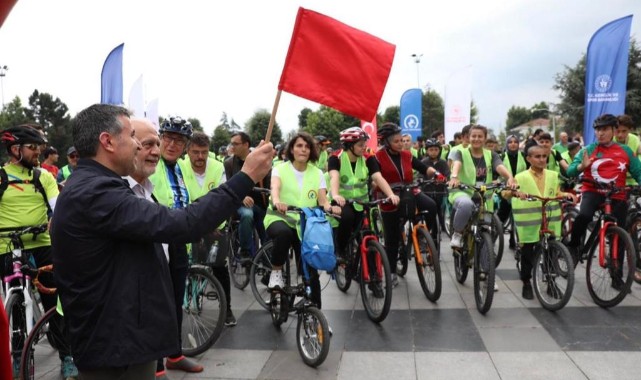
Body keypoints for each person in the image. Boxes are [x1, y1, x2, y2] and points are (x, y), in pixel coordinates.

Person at [51, 104, 272, 379]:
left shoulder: (97, 186)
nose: (139, 147)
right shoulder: (96, 192)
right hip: (115, 349)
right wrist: (245, 177)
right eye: (132, 136)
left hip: (122, 341)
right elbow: (182, 223)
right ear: (107, 141)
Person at [0, 125, 78, 379]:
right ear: (15, 150)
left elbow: (58, 208)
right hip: (7, 245)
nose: (38, 152)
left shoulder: (43, 176)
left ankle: (67, 355)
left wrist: (60, 224)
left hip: (41, 242)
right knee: (13, 302)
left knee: (54, 302)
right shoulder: (1, 177)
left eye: (40, 147)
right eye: (33, 147)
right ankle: (18, 351)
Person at [148, 116, 206, 376]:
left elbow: (187, 200)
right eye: (168, 138)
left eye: (179, 141)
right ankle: (155, 364)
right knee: (156, 301)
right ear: (160, 139)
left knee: (174, 299)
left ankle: (174, 354)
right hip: (156, 239)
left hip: (178, 239)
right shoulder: (151, 164)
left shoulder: (180, 168)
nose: (172, 144)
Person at [264, 132, 340, 311]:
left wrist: (331, 208)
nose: (303, 149)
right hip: (278, 217)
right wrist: (276, 201)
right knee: (284, 233)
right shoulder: (280, 168)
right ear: (291, 149)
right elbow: (275, 188)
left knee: (310, 269)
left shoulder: (317, 173)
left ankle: (317, 315)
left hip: (305, 224)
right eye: (299, 145)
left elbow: (322, 200)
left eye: (306, 146)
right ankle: (276, 272)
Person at [565, 114, 641, 289]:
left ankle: (617, 277)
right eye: (598, 130)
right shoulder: (589, 149)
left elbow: (638, 172)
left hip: (616, 195)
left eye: (605, 129)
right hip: (593, 191)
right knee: (584, 215)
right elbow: (569, 171)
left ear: (614, 131)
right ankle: (574, 245)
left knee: (619, 236)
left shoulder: (625, 151)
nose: (601, 133)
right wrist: (581, 167)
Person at [180, 131, 239, 329]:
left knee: (220, 267)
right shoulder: (180, 166)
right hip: (186, 222)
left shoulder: (217, 167)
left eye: (204, 152)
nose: (200, 157)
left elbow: (223, 199)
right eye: (195, 152)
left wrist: (213, 223)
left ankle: (227, 309)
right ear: (187, 151)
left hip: (213, 225)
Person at [375, 123, 443, 287]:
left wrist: (437, 174)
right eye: (397, 141)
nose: (401, 144)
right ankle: (391, 273)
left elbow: (423, 167)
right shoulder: (378, 157)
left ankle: (424, 237)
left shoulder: (407, 155)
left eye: (402, 140)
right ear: (386, 142)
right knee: (391, 239)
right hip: (388, 198)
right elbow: (375, 177)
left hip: (409, 191)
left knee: (432, 206)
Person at [505, 145, 577, 299]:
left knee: (551, 250)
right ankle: (526, 282)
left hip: (549, 219)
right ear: (528, 159)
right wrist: (516, 192)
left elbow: (556, 192)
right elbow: (506, 192)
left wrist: (565, 194)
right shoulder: (521, 176)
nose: (542, 159)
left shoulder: (552, 175)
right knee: (528, 251)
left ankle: (551, 281)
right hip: (529, 223)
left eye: (544, 156)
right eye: (537, 157)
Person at [329, 127, 399, 264]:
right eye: (360, 145)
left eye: (364, 144)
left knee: (368, 235)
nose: (364, 148)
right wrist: (336, 195)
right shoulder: (335, 158)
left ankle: (373, 275)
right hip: (344, 202)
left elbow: (378, 177)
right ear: (349, 146)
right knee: (347, 218)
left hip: (363, 202)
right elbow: (334, 177)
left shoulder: (368, 158)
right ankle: (340, 250)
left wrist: (390, 194)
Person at [448, 124, 517, 249]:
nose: (476, 139)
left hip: (483, 197)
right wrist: (454, 176)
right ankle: (457, 233)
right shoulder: (460, 152)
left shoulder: (491, 155)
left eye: (480, 136)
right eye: (473, 136)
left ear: (485, 139)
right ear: (469, 137)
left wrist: (510, 177)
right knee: (466, 205)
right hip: (463, 192)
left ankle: (486, 265)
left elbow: (499, 166)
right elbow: (457, 164)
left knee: (486, 233)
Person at [224, 131, 271, 259]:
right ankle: (245, 251)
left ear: (246, 145)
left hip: (260, 204)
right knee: (247, 214)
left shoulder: (259, 160)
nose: (232, 147)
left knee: (267, 227)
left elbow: (268, 184)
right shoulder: (229, 163)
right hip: (239, 204)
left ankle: (269, 263)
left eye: (235, 144)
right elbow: (228, 186)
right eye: (231, 143)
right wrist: (241, 196)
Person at [497, 135, 528, 250]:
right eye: (510, 142)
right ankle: (493, 236)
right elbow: (496, 173)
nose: (513, 144)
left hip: (521, 189)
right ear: (507, 144)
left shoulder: (524, 156)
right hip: (505, 189)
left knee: (519, 216)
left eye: (516, 142)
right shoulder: (501, 156)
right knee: (502, 216)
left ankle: (514, 239)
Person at [421, 138, 450, 232]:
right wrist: (420, 180)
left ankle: (443, 226)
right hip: (427, 191)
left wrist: (445, 180)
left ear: (439, 150)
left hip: (440, 191)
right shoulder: (424, 162)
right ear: (427, 151)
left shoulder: (443, 162)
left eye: (436, 150)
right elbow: (419, 175)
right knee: (427, 212)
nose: (433, 152)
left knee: (440, 210)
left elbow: (447, 175)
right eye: (431, 150)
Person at [615, 114, 641, 185]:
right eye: (618, 131)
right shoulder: (610, 140)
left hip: (634, 181)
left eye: (624, 131)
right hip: (616, 181)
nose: (620, 135)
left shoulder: (635, 139)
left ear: (630, 130)